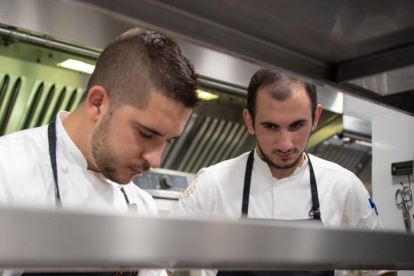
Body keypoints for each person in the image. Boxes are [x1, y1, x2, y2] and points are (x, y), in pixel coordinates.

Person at [0, 27, 199, 276]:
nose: (155, 159)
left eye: (168, 141)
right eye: (146, 134)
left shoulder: (141, 205)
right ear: (97, 104)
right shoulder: (7, 173)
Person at [172, 69, 394, 276]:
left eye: (297, 125)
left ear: (316, 117)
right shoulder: (211, 184)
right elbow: (157, 262)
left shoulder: (344, 186)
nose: (285, 144)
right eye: (271, 127)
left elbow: (384, 267)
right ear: (250, 121)